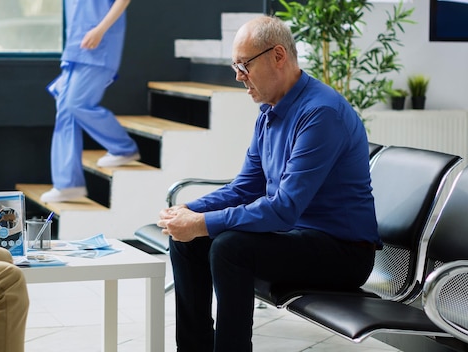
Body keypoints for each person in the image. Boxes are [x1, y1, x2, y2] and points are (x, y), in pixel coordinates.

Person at [156, 15, 381, 352]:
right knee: (188, 241)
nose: (238, 76)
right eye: (235, 65)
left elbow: (284, 209)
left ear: (278, 56)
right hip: (297, 240)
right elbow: (245, 188)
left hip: (343, 253)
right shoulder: (270, 111)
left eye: (244, 64)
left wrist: (202, 222)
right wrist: (187, 211)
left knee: (229, 247)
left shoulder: (321, 113)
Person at [41, 0, 140, 203]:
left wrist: (100, 29)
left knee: (75, 103)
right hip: (76, 46)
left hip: (98, 45)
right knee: (65, 111)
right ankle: (68, 184)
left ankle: (124, 148)